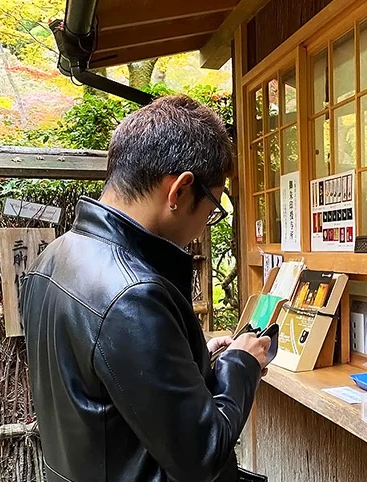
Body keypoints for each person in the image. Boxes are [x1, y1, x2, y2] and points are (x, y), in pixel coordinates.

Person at [21, 96, 270, 482]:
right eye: (213, 207)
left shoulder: (53, 257)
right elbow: (202, 455)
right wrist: (243, 364)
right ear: (180, 191)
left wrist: (194, 359)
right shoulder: (134, 294)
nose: (207, 222)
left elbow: (105, 393)